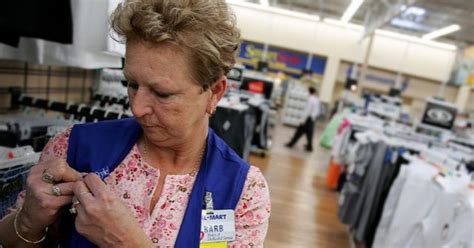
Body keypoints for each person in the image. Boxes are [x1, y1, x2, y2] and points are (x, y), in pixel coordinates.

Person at [0, 1, 271, 247]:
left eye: (162, 93)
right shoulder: (74, 146)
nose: (137, 108)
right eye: (131, 84)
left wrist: (127, 242)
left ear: (215, 92)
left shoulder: (244, 192)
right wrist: (27, 222)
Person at [285, 87, 321, 151]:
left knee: (298, 132)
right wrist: (314, 117)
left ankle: (291, 144)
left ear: (309, 92)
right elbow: (317, 111)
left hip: (307, 119)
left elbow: (307, 111)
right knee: (309, 134)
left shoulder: (310, 99)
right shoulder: (316, 100)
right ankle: (310, 147)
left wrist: (302, 120)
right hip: (312, 119)